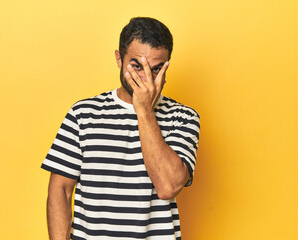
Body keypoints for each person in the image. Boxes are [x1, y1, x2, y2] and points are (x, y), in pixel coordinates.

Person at [41, 17, 200, 240]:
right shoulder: (83, 114)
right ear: (119, 59)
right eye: (137, 66)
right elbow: (60, 190)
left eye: (156, 69)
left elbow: (167, 186)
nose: (146, 79)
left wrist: (144, 111)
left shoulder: (183, 117)